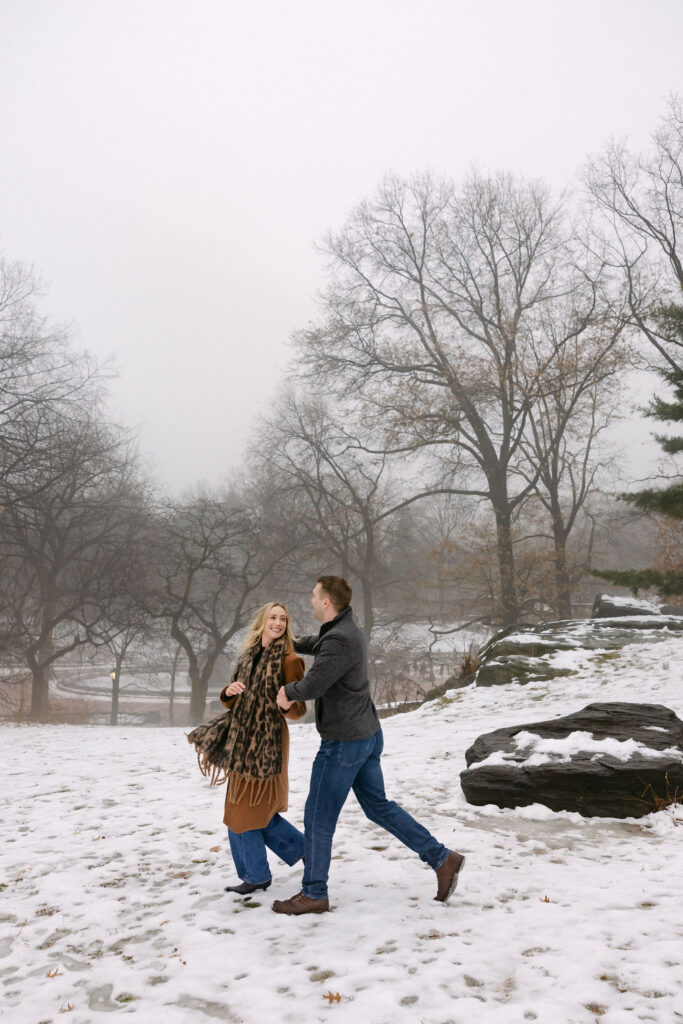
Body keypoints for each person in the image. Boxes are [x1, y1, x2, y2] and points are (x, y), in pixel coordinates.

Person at [272, 576, 465, 915]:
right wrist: (291, 643)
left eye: (315, 596)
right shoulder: (345, 626)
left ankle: (314, 892)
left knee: (317, 818)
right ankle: (442, 859)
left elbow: (314, 682)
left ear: (327, 602)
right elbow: (322, 644)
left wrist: (288, 693)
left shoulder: (340, 638)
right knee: (378, 807)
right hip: (366, 735)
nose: (312, 601)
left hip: (344, 743)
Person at [217, 602, 307, 895]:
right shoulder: (248, 655)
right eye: (273, 617)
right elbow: (232, 693)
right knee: (242, 809)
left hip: (267, 745)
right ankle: (304, 854)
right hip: (241, 742)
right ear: (262, 621)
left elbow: (299, 709)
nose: (278, 623)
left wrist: (287, 704)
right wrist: (228, 693)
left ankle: (258, 875)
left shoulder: (290, 660)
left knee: (249, 810)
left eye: (283, 618)